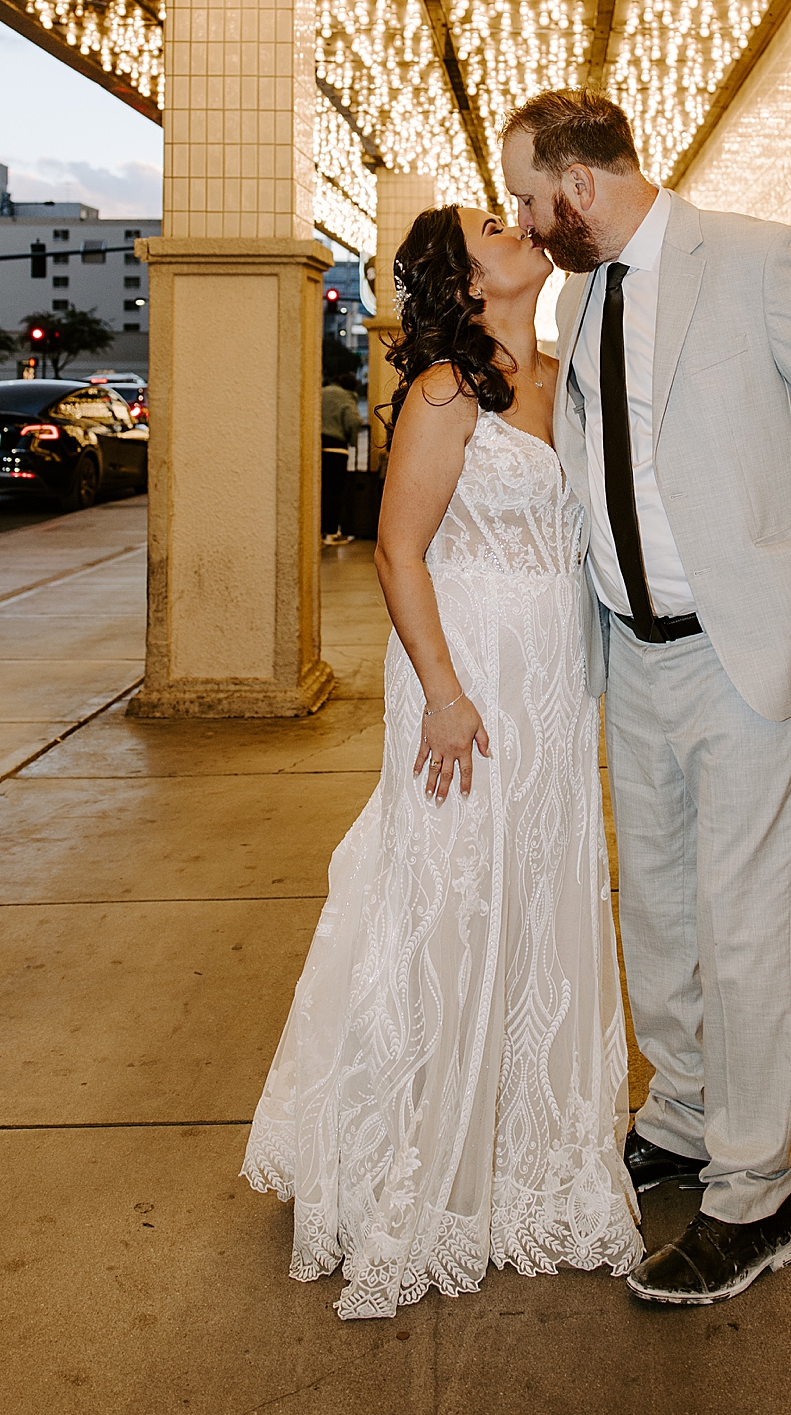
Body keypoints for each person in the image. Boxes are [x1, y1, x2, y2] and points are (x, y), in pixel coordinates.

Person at [501, 89, 791, 1307]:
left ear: (579, 182)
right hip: (634, 652)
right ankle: (681, 1117)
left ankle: (755, 1193)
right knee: (663, 916)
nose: (524, 220)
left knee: (743, 926)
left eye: (529, 195)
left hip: (746, 652)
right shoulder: (584, 296)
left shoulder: (751, 258)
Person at [243, 203, 641, 1318]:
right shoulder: (443, 391)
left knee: (542, 884)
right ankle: (419, 1151)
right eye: (487, 225)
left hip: (554, 681)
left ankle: (531, 1151)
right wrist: (447, 696)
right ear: (464, 282)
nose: (516, 225)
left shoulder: (566, 374)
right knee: (450, 890)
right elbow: (398, 549)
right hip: (462, 674)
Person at [319, 363, 359, 544]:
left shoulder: (321, 391)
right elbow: (353, 420)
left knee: (319, 491)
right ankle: (331, 532)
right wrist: (352, 441)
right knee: (335, 492)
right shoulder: (346, 397)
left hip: (317, 447)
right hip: (336, 449)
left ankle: (317, 531)